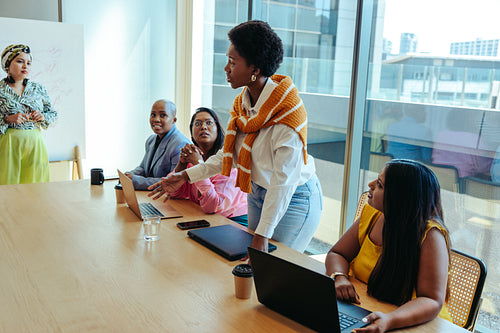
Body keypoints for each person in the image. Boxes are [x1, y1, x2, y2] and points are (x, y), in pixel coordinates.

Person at [149, 20, 323, 253]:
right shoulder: (243, 105)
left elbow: (284, 182)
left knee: (276, 266)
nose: (226, 68)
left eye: (232, 62)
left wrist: (263, 234)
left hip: (293, 197)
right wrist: (185, 176)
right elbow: (226, 157)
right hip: (258, 189)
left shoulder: (287, 114)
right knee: (251, 264)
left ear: (255, 69)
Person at [325, 159, 451, 332]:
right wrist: (339, 277)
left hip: (418, 324)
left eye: (379, 185)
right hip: (370, 309)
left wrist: (389, 320)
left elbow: (431, 300)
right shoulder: (372, 214)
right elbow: (337, 253)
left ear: (400, 199)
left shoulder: (431, 235)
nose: (370, 185)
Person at [168, 107, 248, 223]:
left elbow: (212, 206)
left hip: (233, 222)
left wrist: (197, 164)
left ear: (218, 129)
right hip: (207, 219)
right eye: (198, 123)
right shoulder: (193, 157)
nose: (203, 127)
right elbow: (173, 193)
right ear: (191, 132)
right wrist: (181, 165)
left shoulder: (228, 160)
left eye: (209, 123)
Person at [0, 44, 58, 185]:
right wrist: (7, 119)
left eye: (29, 63)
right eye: (20, 61)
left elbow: (53, 114)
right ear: (8, 65)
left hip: (35, 145)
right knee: (8, 188)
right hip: (9, 146)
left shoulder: (38, 89)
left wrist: (42, 116)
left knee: (36, 189)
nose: (25, 66)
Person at [125, 99, 190, 190]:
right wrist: (129, 175)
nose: (156, 119)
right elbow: (143, 168)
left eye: (163, 115)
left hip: (169, 199)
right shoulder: (151, 140)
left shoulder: (181, 144)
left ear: (174, 120)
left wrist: (135, 180)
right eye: (153, 115)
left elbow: (172, 181)